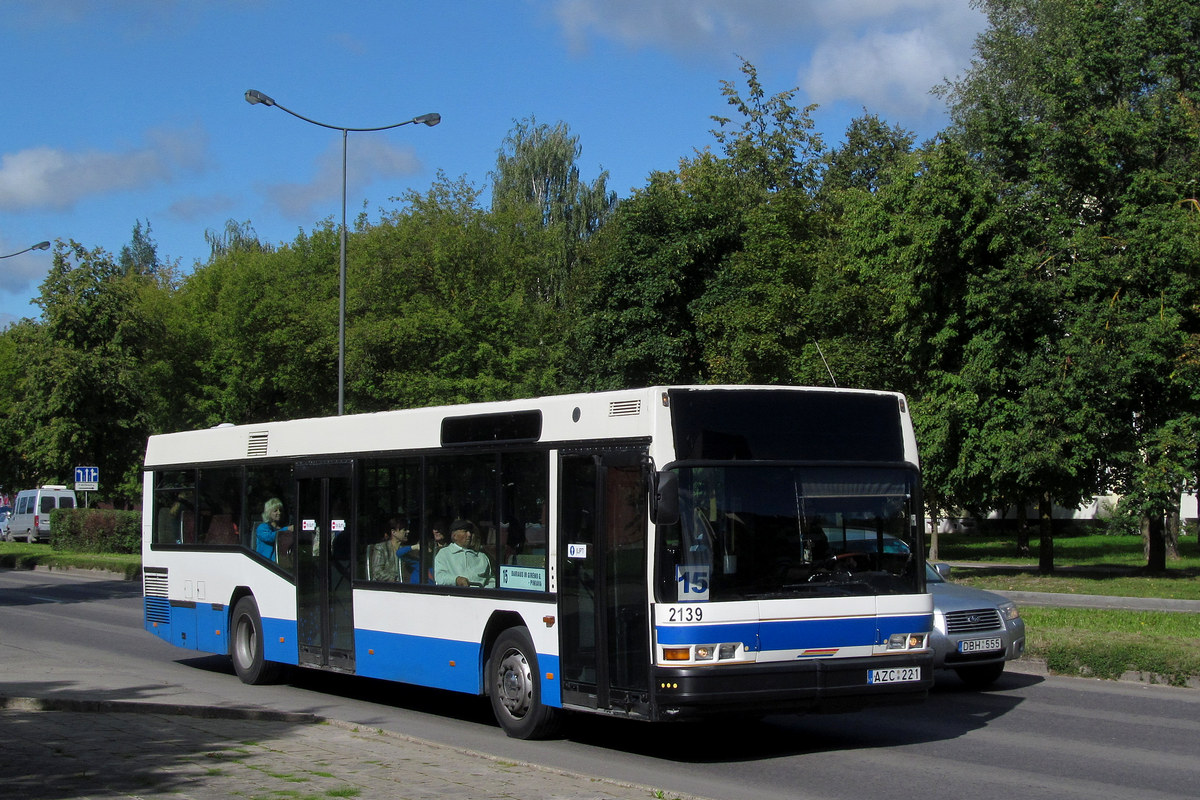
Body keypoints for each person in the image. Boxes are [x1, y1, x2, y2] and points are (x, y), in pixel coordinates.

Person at [434, 519, 494, 588]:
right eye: (465, 531)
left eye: (470, 532)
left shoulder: (482, 557)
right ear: (454, 536)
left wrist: (486, 591)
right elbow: (440, 578)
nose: (469, 535)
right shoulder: (444, 554)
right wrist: (456, 580)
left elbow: (491, 580)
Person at [368, 517, 421, 582]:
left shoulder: (406, 549)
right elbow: (377, 573)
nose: (408, 531)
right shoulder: (381, 548)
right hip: (385, 587)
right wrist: (397, 578)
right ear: (393, 532)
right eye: (404, 529)